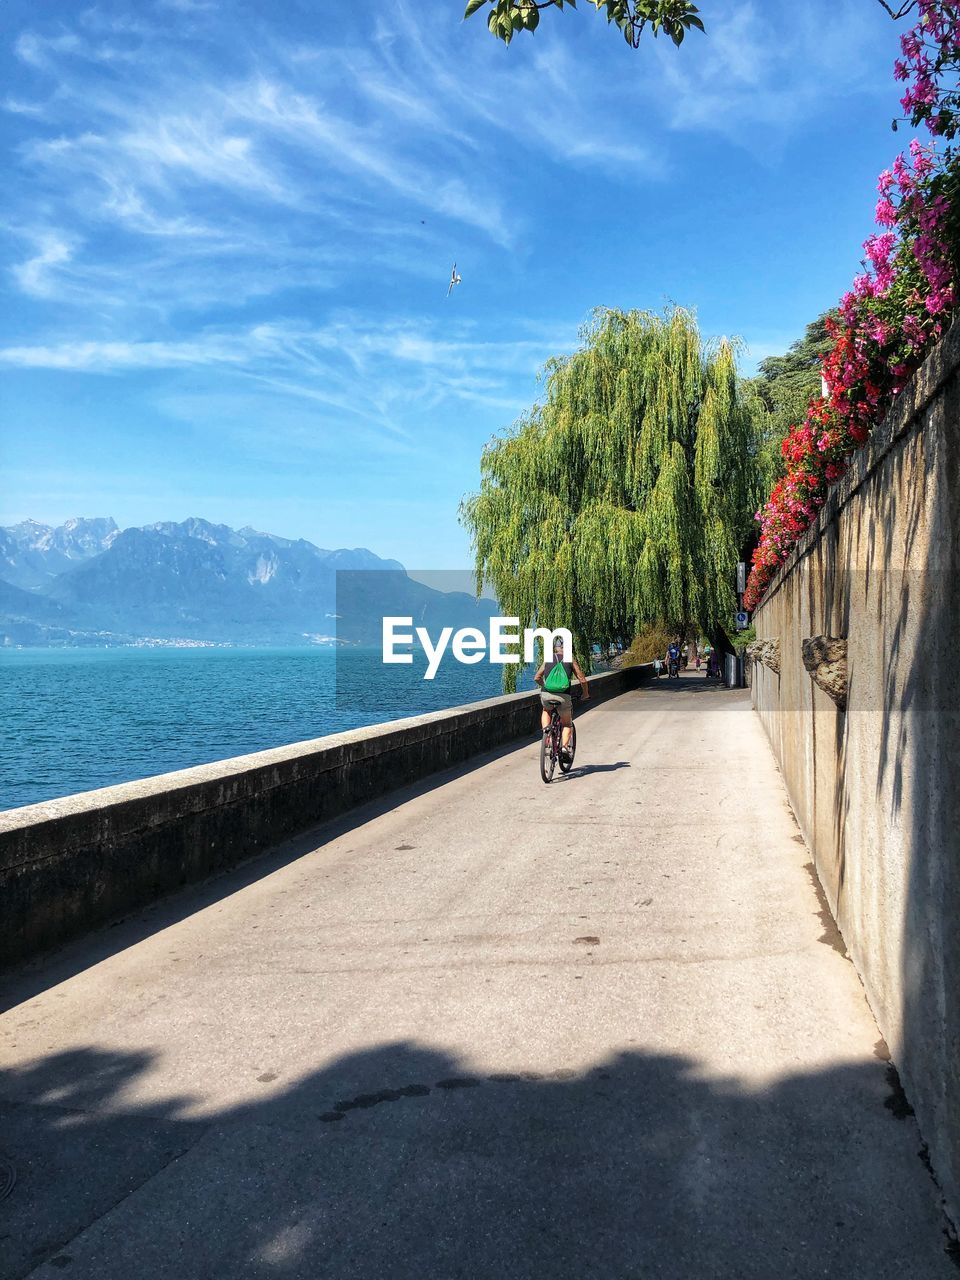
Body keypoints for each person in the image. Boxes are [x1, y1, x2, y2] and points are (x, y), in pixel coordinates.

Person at [534, 637, 589, 758]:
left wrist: (546, 686)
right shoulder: (570, 659)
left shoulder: (548, 658)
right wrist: (585, 694)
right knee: (567, 724)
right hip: (564, 696)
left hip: (547, 694)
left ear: (555, 648)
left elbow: (537, 677)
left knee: (546, 710)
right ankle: (564, 748)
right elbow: (582, 679)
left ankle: (546, 733)